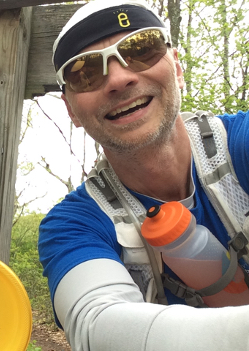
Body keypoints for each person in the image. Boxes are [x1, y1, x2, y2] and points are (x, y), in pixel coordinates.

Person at [38, 0, 249, 349]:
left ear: (177, 68)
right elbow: (96, 325)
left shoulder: (241, 144)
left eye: (142, 48)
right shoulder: (74, 225)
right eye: (85, 72)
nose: (119, 78)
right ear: (71, 110)